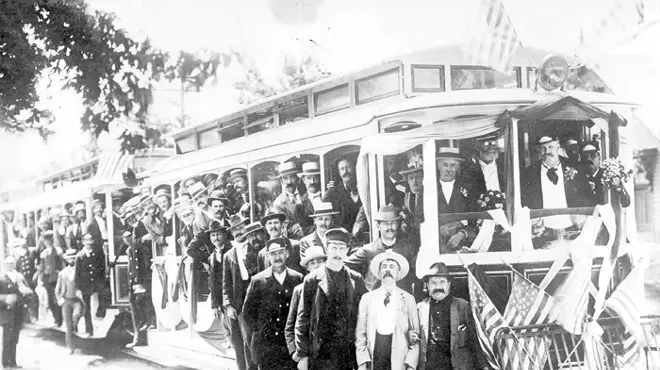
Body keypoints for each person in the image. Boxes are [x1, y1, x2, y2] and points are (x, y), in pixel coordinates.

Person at [295, 228, 368, 370]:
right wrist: (303, 355)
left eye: (341, 248)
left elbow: (365, 315)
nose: (337, 253)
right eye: (333, 248)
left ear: (347, 250)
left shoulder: (356, 278)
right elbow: (302, 319)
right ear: (326, 249)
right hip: (321, 352)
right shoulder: (312, 280)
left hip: (348, 351)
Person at [243, 238, 304, 370]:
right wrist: (260, 332)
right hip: (267, 344)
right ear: (268, 257)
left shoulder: (297, 278)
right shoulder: (258, 280)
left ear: (287, 253)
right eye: (273, 254)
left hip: (289, 344)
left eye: (280, 253)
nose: (277, 257)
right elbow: (248, 313)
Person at [417, 262, 488, 370]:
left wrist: (484, 366)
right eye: (433, 283)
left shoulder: (463, 306)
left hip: (456, 366)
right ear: (427, 285)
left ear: (449, 284)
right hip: (429, 366)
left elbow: (475, 341)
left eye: (442, 282)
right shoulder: (419, 309)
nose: (438, 287)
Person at [355, 251, 420, 370]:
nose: (388, 270)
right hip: (375, 358)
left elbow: (415, 336)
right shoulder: (367, 299)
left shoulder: (408, 299)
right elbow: (360, 335)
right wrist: (362, 363)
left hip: (399, 360)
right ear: (379, 273)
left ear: (398, 273)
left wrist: (411, 365)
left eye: (392, 267)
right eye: (384, 267)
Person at [345, 205, 419, 295]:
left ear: (398, 224)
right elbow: (344, 266)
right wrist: (360, 283)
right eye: (385, 223)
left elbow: (418, 274)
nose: (389, 227)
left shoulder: (408, 249)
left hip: (401, 300)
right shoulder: (369, 250)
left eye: (393, 223)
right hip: (375, 302)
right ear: (378, 226)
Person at [223, 215, 260, 370]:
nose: (238, 231)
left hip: (254, 295)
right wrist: (228, 305)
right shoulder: (229, 255)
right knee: (240, 339)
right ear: (231, 232)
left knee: (253, 337)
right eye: (234, 229)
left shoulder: (256, 248)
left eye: (240, 227)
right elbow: (226, 283)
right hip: (238, 299)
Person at [285, 246, 326, 364]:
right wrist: (294, 351)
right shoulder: (299, 290)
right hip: (307, 350)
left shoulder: (332, 286)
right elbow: (290, 324)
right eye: (312, 263)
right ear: (307, 267)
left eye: (319, 261)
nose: (317, 265)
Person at [436, 140, 477, 253]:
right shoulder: (429, 189)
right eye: (445, 165)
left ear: (458, 167)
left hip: (462, 244)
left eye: (453, 165)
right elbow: (420, 219)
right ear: (438, 165)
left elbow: (474, 220)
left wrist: (461, 235)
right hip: (436, 244)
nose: (449, 169)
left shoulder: (467, 189)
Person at [581, 141, 631, 207]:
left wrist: (618, 186)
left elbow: (625, 202)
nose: (589, 159)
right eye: (585, 157)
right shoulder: (579, 177)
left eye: (593, 155)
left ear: (599, 157)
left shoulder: (608, 175)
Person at [74, 233, 106, 336]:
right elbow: (77, 273)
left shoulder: (98, 253)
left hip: (96, 283)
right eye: (86, 241)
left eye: (90, 240)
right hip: (85, 284)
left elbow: (102, 269)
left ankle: (100, 317)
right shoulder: (79, 256)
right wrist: (78, 288)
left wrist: (102, 281)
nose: (89, 243)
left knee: (104, 296)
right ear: (83, 242)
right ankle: (89, 330)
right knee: (86, 307)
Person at [323, 156, 362, 232]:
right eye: (342, 169)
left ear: (354, 168)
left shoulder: (364, 188)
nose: (345, 171)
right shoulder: (332, 193)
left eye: (348, 167)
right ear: (339, 173)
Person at [258, 208, 303, 274]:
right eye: (270, 223)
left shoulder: (296, 246)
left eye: (276, 222)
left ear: (282, 225)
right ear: (266, 227)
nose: (273, 226)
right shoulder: (262, 254)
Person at [56, 249, 84, 354]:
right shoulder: (62, 273)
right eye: (69, 258)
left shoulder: (80, 271)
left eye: (73, 258)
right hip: (67, 301)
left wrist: (81, 292)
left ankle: (75, 333)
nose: (71, 260)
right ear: (66, 260)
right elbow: (57, 289)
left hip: (77, 301)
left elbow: (84, 284)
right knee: (68, 326)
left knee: (76, 317)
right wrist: (60, 299)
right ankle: (70, 347)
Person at [35, 230, 64, 328]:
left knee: (58, 297)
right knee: (50, 299)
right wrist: (40, 278)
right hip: (47, 278)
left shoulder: (58, 250)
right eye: (45, 241)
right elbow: (42, 267)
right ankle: (56, 319)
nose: (47, 242)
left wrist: (61, 272)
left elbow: (62, 264)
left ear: (51, 240)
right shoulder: (43, 253)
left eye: (49, 240)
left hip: (56, 277)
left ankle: (60, 319)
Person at [0, 256, 25, 369]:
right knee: (7, 339)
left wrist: (25, 291)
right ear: (5, 265)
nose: (11, 265)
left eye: (12, 263)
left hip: (18, 311)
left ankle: (13, 362)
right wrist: (6, 299)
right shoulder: (1, 278)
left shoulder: (19, 277)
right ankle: (5, 363)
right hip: (7, 312)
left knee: (15, 338)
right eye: (8, 263)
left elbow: (25, 292)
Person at [208, 221, 232, 321]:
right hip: (222, 301)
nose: (216, 238)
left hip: (233, 299)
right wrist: (214, 305)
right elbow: (213, 283)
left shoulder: (232, 250)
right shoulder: (211, 258)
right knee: (227, 330)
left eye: (218, 234)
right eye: (213, 235)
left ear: (224, 235)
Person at [399, 153, 424, 244]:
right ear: (407, 181)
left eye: (418, 177)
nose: (414, 181)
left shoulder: (428, 195)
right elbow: (405, 212)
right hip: (412, 238)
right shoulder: (407, 196)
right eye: (411, 178)